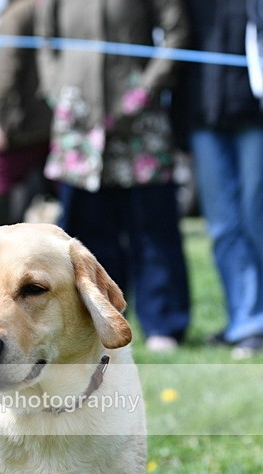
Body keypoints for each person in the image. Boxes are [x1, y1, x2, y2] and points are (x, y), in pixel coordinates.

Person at [35, 0, 191, 352]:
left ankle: (163, 323)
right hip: (79, 122)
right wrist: (57, 87)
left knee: (153, 227)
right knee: (87, 234)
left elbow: (176, 31)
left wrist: (144, 89)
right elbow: (44, 39)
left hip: (139, 119)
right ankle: (97, 322)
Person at [173, 0, 263, 358]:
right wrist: (180, 125)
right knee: (223, 225)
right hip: (204, 118)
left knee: (256, 217)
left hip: (255, 117)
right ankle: (245, 321)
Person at [0, 0, 52, 226]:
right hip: (51, 122)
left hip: (22, 127)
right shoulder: (46, 9)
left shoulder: (18, 15)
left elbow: (5, 72)